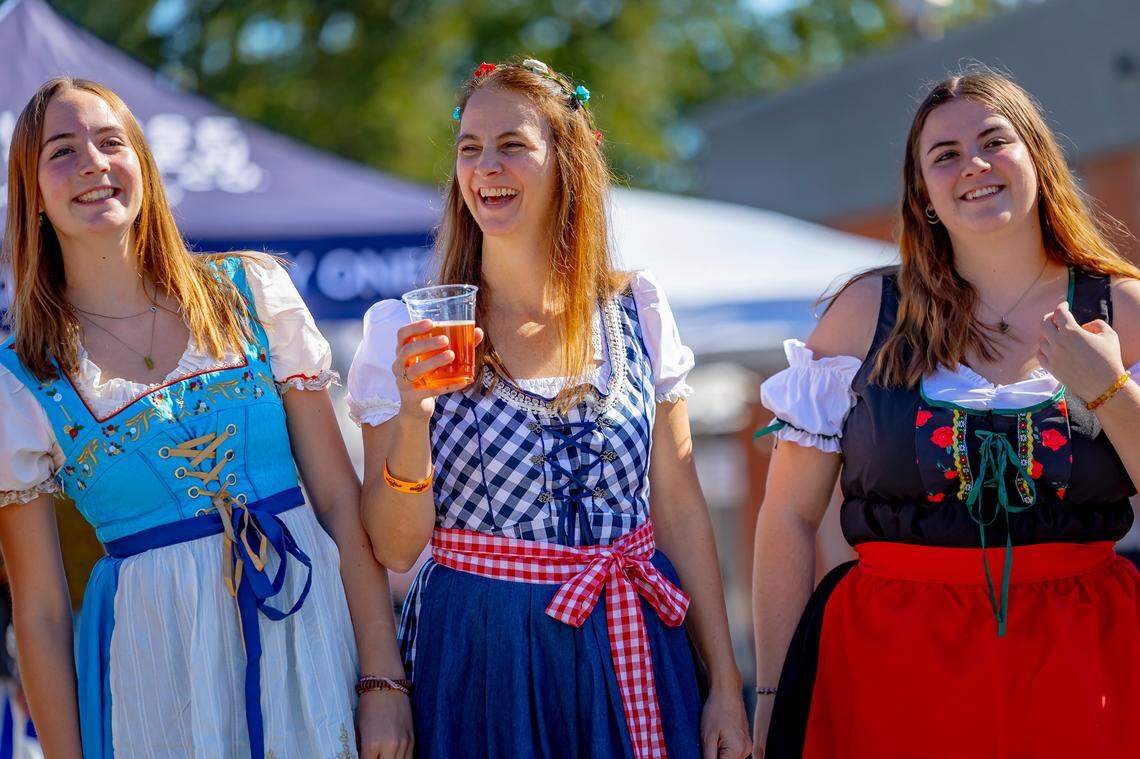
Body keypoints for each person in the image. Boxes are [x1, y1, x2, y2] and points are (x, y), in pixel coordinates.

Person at [346, 58, 750, 759]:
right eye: (469, 148)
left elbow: (680, 508)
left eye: (512, 145)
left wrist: (722, 683)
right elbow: (396, 545)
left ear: (566, 162)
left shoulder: (637, 312)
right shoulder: (406, 331)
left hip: (636, 636)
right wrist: (413, 415)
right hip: (485, 649)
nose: (485, 167)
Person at [0, 77, 412, 758]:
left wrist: (383, 680)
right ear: (33, 194)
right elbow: (41, 610)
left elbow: (340, 502)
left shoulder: (250, 293)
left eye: (111, 142)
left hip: (308, 633)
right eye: (62, 152)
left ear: (141, 162)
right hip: (158, 668)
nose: (94, 164)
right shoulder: (21, 378)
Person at [752, 69, 1140, 758]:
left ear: (1038, 159)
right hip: (887, 664)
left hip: (1085, 664)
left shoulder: (1123, 309)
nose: (975, 166)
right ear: (923, 194)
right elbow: (788, 516)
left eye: (995, 141)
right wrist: (773, 699)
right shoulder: (862, 315)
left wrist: (1108, 388)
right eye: (946, 155)